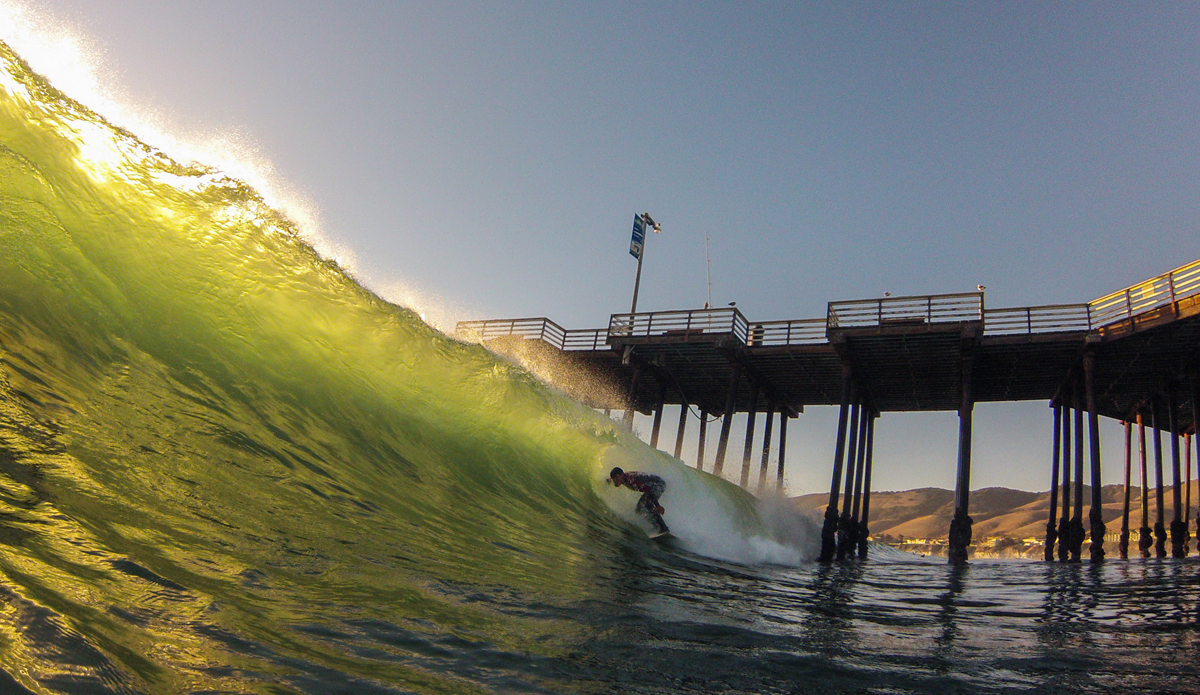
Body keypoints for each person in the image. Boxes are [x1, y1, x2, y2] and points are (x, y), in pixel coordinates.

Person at [608, 467, 669, 534]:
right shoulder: (622, 478)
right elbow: (615, 481)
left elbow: (649, 490)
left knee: (648, 504)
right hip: (651, 487)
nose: (615, 480)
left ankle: (664, 529)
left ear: (622, 475)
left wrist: (657, 505)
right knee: (639, 510)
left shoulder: (631, 480)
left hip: (658, 485)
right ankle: (657, 526)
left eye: (617, 478)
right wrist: (607, 481)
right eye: (614, 479)